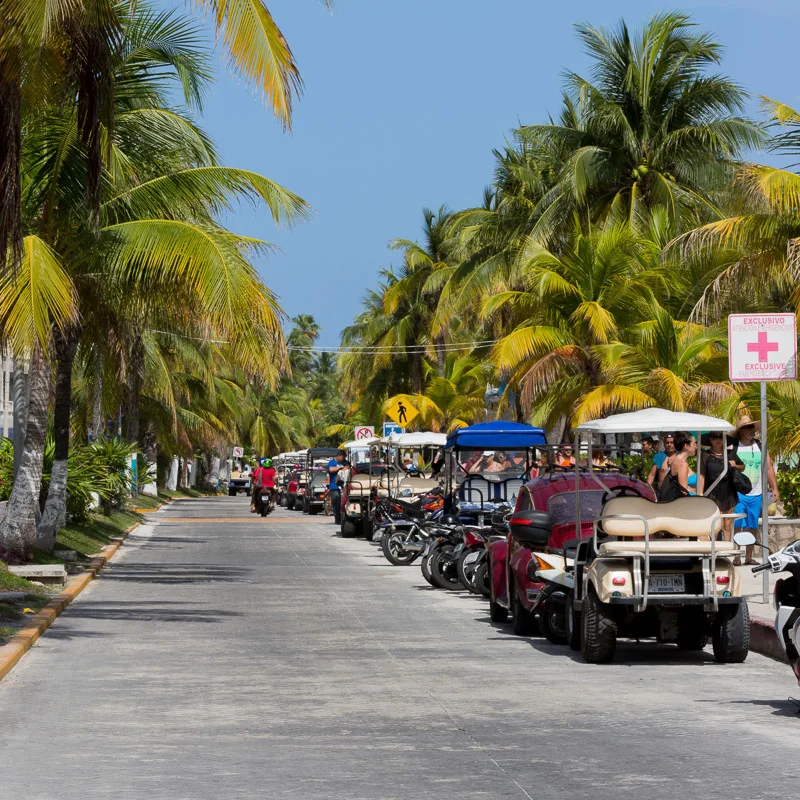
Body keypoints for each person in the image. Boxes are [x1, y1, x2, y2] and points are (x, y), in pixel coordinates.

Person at [732, 415, 779, 564]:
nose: (751, 430)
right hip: (739, 492)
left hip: (757, 493)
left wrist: (774, 487)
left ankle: (748, 557)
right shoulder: (734, 447)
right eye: (747, 427)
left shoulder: (759, 446)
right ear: (740, 431)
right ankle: (737, 556)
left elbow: (769, 468)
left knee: (752, 525)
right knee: (738, 525)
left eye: (752, 427)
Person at [697, 432, 745, 544]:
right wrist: (700, 494)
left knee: (727, 524)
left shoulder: (730, 453)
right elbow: (701, 475)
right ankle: (713, 553)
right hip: (712, 492)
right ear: (710, 440)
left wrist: (735, 465)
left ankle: (727, 552)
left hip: (728, 492)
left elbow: (742, 467)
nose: (718, 440)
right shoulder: (705, 455)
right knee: (714, 524)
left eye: (720, 437)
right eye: (715, 437)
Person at [659, 432, 697, 501]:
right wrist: (695, 491)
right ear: (686, 446)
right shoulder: (682, 464)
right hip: (687, 504)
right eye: (694, 443)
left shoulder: (677, 460)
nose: (696, 446)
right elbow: (683, 490)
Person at [327, 450, 347, 525]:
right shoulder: (332, 462)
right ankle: (337, 519)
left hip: (344, 487)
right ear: (339, 456)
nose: (343, 459)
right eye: (343, 457)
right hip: (334, 487)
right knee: (337, 504)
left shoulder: (344, 462)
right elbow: (331, 469)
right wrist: (339, 467)